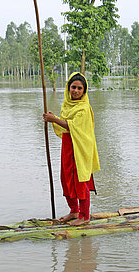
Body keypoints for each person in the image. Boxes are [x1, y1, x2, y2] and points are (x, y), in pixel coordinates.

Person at [43, 72, 100, 225]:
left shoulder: (84, 108)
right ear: (68, 88)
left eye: (79, 88)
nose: (75, 91)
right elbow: (66, 127)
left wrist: (54, 120)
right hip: (68, 146)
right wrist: (54, 118)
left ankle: (84, 216)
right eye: (73, 87)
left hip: (80, 148)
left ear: (84, 91)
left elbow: (73, 126)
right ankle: (74, 211)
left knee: (80, 181)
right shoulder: (67, 105)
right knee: (67, 179)